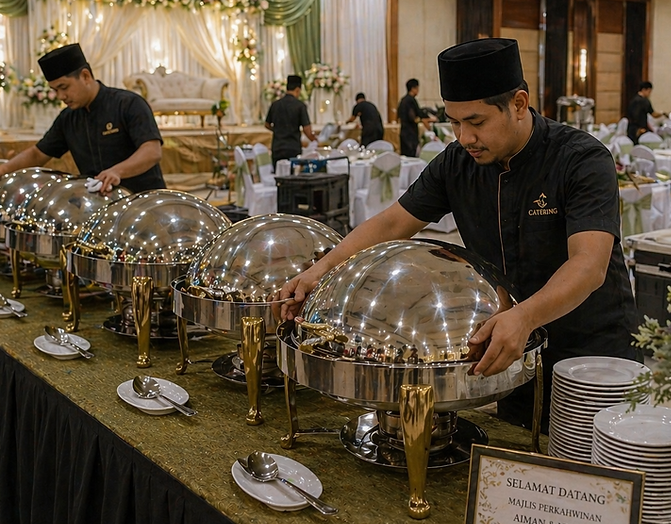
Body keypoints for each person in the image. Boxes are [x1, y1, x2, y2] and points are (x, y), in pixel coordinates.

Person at [278, 38, 640, 431]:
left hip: (589, 353)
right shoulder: (457, 162)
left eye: (477, 122)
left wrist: (524, 317)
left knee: (593, 463)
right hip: (506, 347)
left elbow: (588, 265)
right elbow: (391, 223)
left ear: (519, 104)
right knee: (519, 453)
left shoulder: (580, 159)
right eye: (454, 122)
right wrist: (322, 270)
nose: (464, 137)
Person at [0, 44, 165, 195]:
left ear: (85, 76)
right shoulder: (68, 118)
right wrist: (2, 169)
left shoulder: (128, 104)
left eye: (64, 87)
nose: (60, 96)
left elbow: (152, 151)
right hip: (102, 206)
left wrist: (117, 171)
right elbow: (38, 154)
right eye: (55, 90)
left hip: (143, 203)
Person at [265, 75, 317, 165]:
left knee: (278, 175)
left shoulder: (275, 104)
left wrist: (278, 130)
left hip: (277, 148)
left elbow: (267, 124)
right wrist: (315, 140)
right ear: (297, 89)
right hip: (293, 148)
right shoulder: (300, 106)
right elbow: (307, 129)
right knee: (293, 177)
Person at [397, 78, 434, 157]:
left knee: (405, 156)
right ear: (413, 88)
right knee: (412, 155)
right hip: (410, 134)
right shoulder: (410, 101)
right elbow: (413, 117)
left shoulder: (403, 100)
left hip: (404, 132)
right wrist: (427, 119)